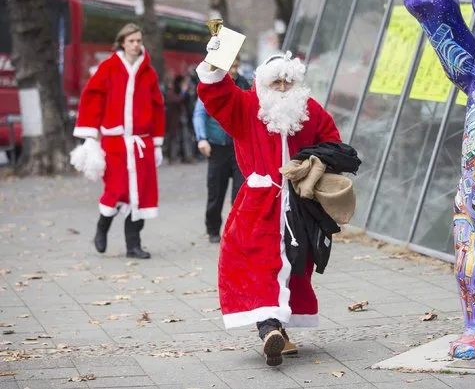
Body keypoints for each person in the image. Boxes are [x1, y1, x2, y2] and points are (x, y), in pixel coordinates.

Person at [196, 39, 341, 366]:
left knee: (295, 265)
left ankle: (280, 331)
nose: (283, 87)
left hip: (300, 204)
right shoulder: (246, 107)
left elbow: (334, 144)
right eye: (276, 81)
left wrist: (316, 165)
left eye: (288, 81)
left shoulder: (310, 109)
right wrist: (218, 55)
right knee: (260, 262)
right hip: (259, 202)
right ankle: (268, 329)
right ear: (262, 83)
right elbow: (217, 93)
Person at [71, 23, 165, 259]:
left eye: (138, 41)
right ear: (122, 42)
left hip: (141, 143)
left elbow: (158, 108)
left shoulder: (149, 73)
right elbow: (91, 100)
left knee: (141, 194)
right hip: (115, 143)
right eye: (131, 40)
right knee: (117, 189)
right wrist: (90, 137)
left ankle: (133, 245)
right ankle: (102, 227)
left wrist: (157, 143)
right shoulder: (108, 68)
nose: (135, 45)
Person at [193, 56, 250, 243]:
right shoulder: (211, 83)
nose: (233, 70)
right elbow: (200, 113)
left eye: (236, 66)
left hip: (239, 147)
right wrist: (202, 139)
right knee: (215, 193)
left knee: (240, 193)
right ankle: (212, 230)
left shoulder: (244, 84)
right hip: (217, 147)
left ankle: (235, 230)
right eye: (229, 66)